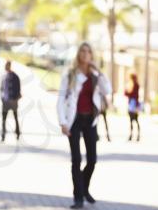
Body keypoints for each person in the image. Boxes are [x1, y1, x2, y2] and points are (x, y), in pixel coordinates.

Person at [57, 42, 111, 209]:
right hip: (74, 121)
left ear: (92, 55)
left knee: (92, 160)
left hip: (91, 121)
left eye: (88, 52)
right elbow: (60, 100)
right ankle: (78, 198)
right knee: (76, 160)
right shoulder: (70, 74)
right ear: (79, 54)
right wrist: (63, 122)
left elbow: (107, 90)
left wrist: (99, 71)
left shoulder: (96, 75)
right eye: (83, 51)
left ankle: (84, 188)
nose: (86, 54)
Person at [0, 60, 21, 142]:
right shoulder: (4, 76)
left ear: (9, 66)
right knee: (4, 119)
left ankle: (18, 133)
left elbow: (18, 88)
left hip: (12, 101)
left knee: (15, 118)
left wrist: (15, 98)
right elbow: (1, 88)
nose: (5, 67)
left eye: (6, 65)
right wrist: (2, 98)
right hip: (5, 101)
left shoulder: (14, 76)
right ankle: (3, 135)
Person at [125, 73, 141, 141]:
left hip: (133, 103)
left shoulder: (134, 85)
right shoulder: (133, 85)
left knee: (134, 120)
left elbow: (130, 94)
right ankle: (132, 135)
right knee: (133, 120)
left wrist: (127, 92)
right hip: (133, 103)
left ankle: (135, 135)